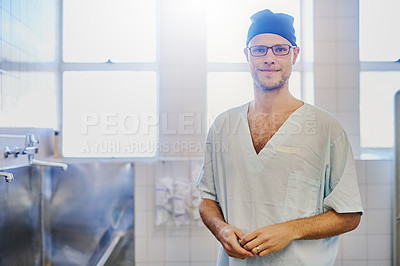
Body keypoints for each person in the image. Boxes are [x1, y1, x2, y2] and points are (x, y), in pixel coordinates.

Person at [196, 9, 363, 266]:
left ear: (295, 54)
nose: (269, 58)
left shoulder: (326, 128)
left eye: (280, 49)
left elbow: (349, 214)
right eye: (259, 50)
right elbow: (208, 198)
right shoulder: (222, 126)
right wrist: (221, 229)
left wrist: (291, 229)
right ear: (247, 56)